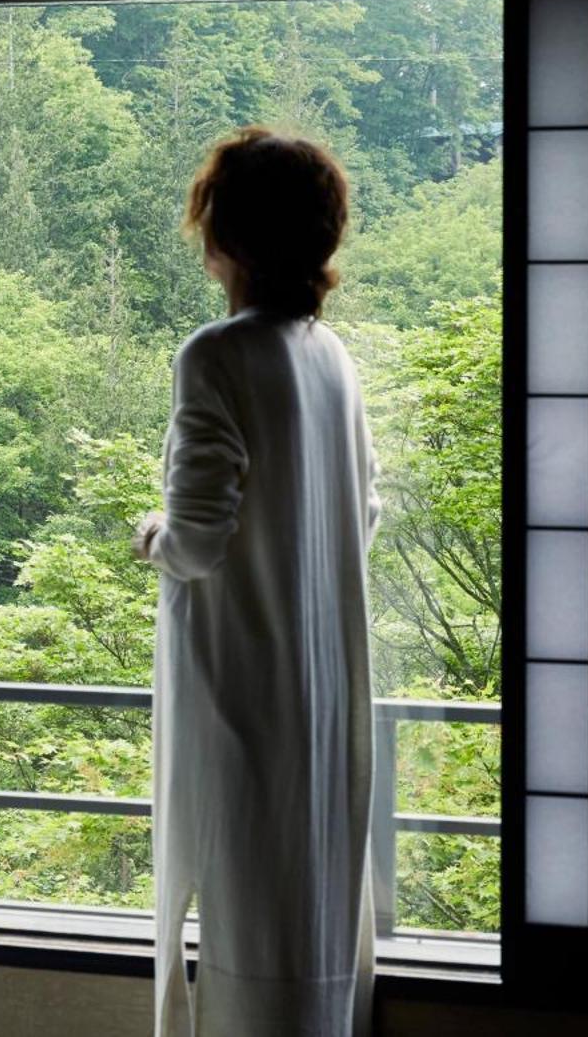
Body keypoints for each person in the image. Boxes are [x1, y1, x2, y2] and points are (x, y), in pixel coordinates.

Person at [132, 126, 382, 1037]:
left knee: (238, 914)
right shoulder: (332, 358)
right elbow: (364, 513)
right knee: (304, 912)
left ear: (223, 239)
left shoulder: (218, 355)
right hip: (322, 696)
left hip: (240, 691)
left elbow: (198, 541)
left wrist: (151, 534)